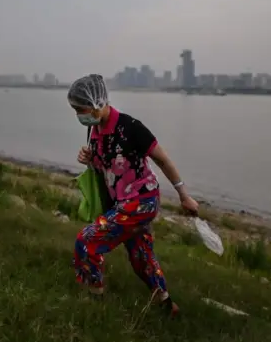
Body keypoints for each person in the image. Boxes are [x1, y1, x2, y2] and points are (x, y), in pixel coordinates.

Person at [67, 74, 199, 317]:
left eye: (80, 108)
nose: (78, 115)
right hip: (121, 203)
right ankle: (167, 305)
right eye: (75, 110)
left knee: (87, 241)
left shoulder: (130, 127)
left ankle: (95, 300)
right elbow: (108, 166)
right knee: (141, 255)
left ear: (96, 102)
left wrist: (184, 195)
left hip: (142, 200)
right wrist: (89, 159)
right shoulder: (94, 129)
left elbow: (163, 159)